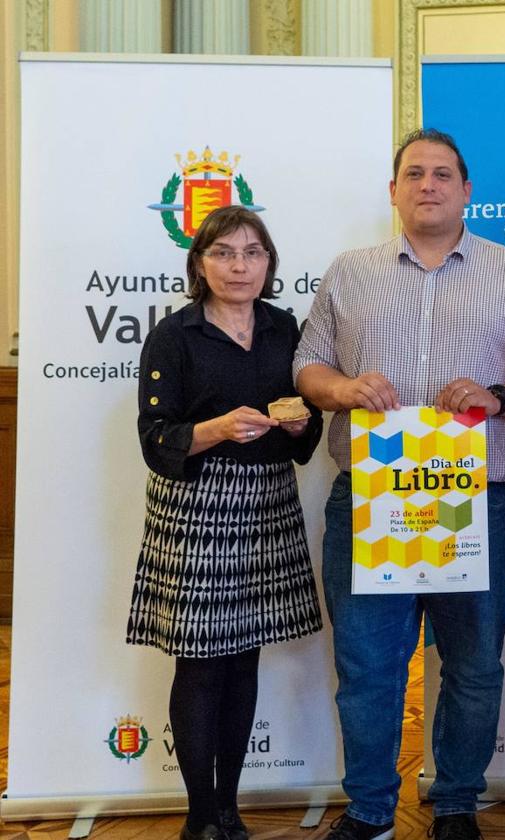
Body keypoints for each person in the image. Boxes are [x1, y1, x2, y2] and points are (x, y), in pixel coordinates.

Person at [294, 128, 505, 840]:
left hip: (478, 500)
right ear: (394, 190)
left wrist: (496, 396)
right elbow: (307, 368)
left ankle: (459, 800)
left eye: (443, 174)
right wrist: (344, 386)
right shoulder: (350, 273)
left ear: (467, 190)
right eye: (414, 174)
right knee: (369, 661)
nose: (428, 185)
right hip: (372, 500)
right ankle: (372, 807)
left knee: (473, 662)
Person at [128, 205, 325, 840]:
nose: (239, 266)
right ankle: (198, 814)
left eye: (252, 252)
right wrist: (213, 430)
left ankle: (231, 808)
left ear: (269, 264)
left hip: (269, 502)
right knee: (199, 662)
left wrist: (301, 423)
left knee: (244, 658)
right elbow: (154, 436)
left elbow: (305, 429)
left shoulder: (284, 327)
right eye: (223, 253)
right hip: (197, 508)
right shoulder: (175, 334)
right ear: (199, 263)